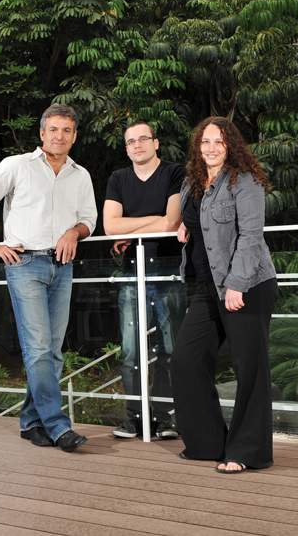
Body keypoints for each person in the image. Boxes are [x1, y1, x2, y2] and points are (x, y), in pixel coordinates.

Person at [0, 104, 97, 452]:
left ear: (74, 136)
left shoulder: (80, 175)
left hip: (63, 265)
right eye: (53, 129)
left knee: (51, 351)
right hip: (25, 264)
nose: (59, 136)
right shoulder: (16, 166)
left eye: (67, 130)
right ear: (41, 133)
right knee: (39, 348)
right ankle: (58, 426)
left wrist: (74, 231)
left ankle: (31, 422)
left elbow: (90, 220)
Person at [172, 116, 277, 473]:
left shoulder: (244, 181)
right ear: (197, 147)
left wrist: (237, 284)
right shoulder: (193, 182)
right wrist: (186, 228)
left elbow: (251, 235)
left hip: (246, 285)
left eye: (218, 142)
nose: (211, 148)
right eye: (205, 142)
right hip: (205, 287)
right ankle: (208, 444)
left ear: (230, 145)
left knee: (251, 369)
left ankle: (248, 452)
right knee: (186, 360)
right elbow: (193, 218)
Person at [103, 121, 183, 440]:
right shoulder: (119, 179)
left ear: (156, 142)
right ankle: (134, 417)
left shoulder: (174, 173)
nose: (137, 145)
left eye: (143, 139)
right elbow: (109, 227)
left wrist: (131, 228)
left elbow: (173, 222)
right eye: (130, 142)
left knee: (171, 350)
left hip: (168, 271)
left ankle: (165, 418)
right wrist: (155, 221)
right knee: (131, 351)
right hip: (131, 274)